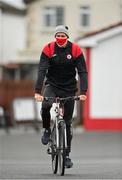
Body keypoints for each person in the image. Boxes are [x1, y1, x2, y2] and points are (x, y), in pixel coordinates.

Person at [34, 25, 88, 168]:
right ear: (55, 37)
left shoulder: (75, 49)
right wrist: (38, 91)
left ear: (67, 37)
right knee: (46, 105)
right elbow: (41, 70)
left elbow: (82, 71)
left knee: (68, 123)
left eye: (63, 36)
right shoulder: (48, 49)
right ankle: (46, 129)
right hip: (52, 85)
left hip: (69, 88)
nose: (60, 38)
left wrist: (83, 92)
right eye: (58, 36)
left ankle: (66, 156)